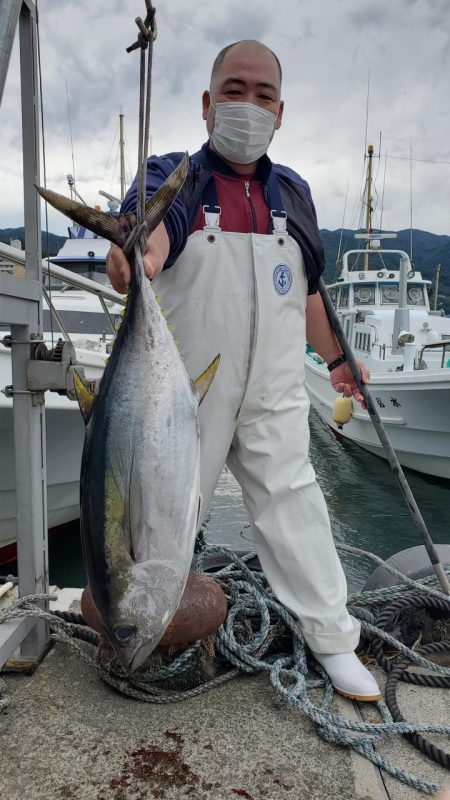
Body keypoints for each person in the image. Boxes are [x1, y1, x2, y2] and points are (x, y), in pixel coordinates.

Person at [107, 40, 380, 701]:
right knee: (149, 523)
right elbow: (154, 228)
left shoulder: (295, 194)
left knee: (297, 511)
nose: (248, 105)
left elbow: (309, 292)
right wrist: (137, 250)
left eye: (263, 95)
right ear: (207, 103)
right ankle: (129, 624)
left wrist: (340, 360)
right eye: (234, 90)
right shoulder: (176, 175)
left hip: (276, 394)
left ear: (281, 112)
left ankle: (334, 643)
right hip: (180, 403)